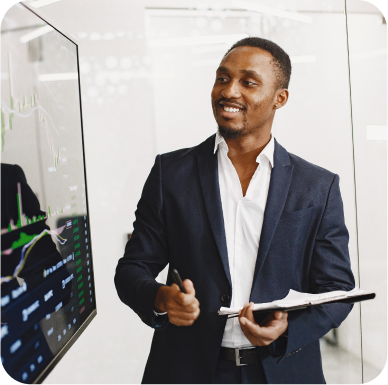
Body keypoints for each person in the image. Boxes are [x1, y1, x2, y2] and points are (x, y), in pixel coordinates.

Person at [114, 37, 355, 385]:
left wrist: (288, 329)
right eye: (222, 78)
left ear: (279, 98)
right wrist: (160, 297)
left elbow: (336, 289)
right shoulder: (171, 173)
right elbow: (132, 268)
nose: (229, 91)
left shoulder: (317, 186)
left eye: (248, 82)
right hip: (186, 370)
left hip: (283, 370)